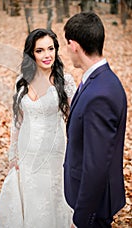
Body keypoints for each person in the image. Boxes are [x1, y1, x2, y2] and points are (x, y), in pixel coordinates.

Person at [0, 28, 76, 227]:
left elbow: (74, 121)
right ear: (31, 53)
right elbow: (17, 122)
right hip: (26, 153)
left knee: (51, 199)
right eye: (40, 51)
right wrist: (13, 155)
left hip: (54, 153)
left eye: (51, 48)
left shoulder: (66, 82)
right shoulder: (21, 82)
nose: (47, 55)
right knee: (31, 200)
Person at [63, 12, 127, 228]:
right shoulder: (99, 79)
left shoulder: (100, 93)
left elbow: (96, 164)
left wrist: (82, 218)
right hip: (91, 199)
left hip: (93, 207)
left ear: (74, 45)